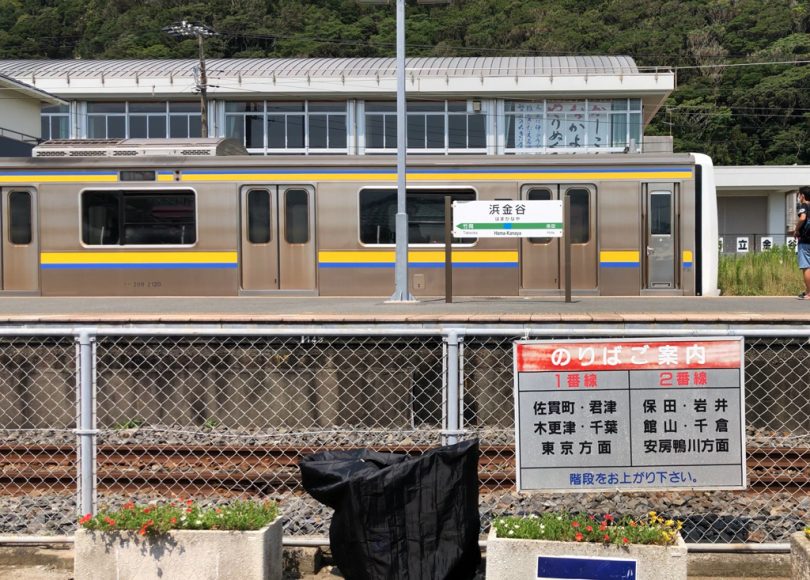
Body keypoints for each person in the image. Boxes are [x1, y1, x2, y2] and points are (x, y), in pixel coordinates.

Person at [795, 186, 810, 299]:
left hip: (806, 241)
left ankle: (809, 293)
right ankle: (807, 291)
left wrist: (796, 229)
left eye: (799, 195)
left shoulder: (804, 206)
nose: (799, 197)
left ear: (803, 196)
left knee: (806, 266)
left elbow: (802, 218)